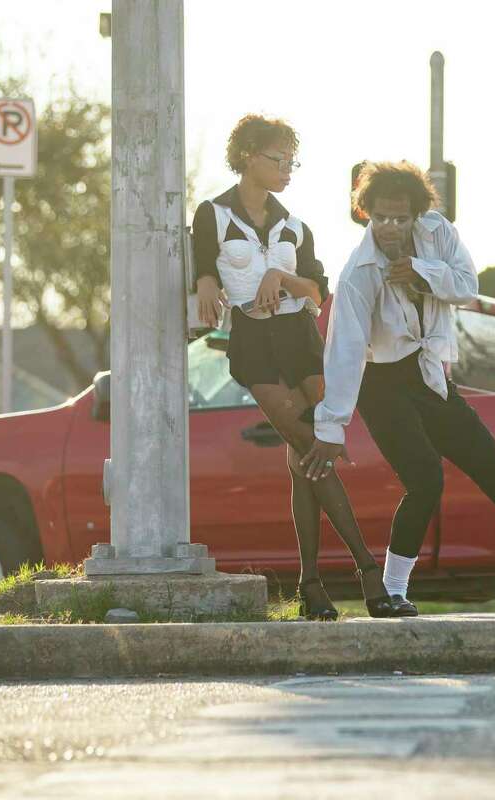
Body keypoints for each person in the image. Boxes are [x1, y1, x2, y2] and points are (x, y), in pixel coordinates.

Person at [300, 161, 495, 615]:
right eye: (381, 217)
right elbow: (345, 350)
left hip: (428, 373)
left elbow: (467, 285)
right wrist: (330, 428)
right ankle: (392, 591)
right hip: (382, 383)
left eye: (401, 217)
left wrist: (420, 272)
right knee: (425, 479)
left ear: (416, 214)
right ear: (365, 213)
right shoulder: (359, 272)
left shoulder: (438, 234)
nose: (391, 226)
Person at [190, 115, 399, 620]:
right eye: (276, 159)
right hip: (254, 345)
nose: (286, 169)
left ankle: (311, 585)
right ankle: (368, 570)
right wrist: (207, 285)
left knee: (304, 462)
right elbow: (201, 270)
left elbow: (317, 291)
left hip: (301, 341)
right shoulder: (213, 216)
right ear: (246, 157)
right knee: (311, 446)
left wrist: (283, 277)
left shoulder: (295, 226)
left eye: (291, 161)